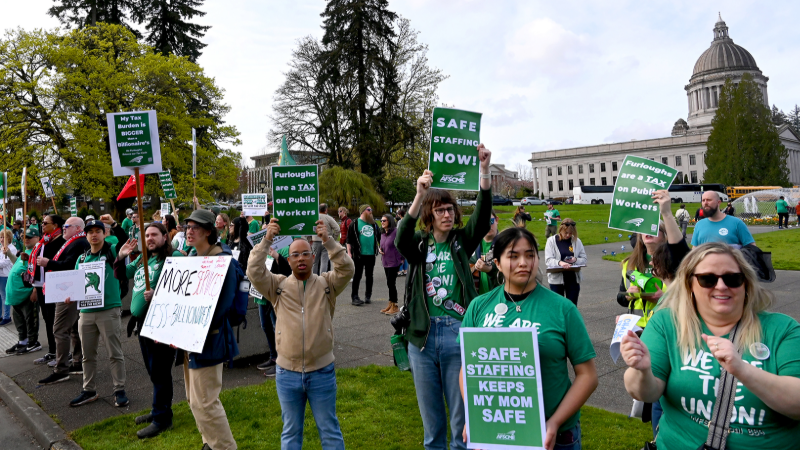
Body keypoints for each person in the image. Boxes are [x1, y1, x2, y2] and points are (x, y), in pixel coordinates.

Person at [621, 242, 800, 449]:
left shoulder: (782, 329)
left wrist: (743, 370)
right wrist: (641, 370)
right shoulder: (667, 323)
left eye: (733, 279)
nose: (722, 286)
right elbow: (645, 393)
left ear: (746, 284)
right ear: (689, 285)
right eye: (707, 279)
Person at [460, 227, 598, 450]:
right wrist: (476, 416)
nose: (524, 262)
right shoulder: (479, 307)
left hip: (555, 437)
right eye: (513, 256)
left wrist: (554, 423)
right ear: (497, 263)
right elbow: (468, 368)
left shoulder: (563, 309)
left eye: (530, 255)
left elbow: (588, 375)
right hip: (496, 434)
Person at [395, 143, 493, 450]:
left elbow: (483, 213)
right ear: (430, 214)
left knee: (461, 425)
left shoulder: (462, 242)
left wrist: (485, 170)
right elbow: (400, 237)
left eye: (450, 209)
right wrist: (419, 195)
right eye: (440, 210)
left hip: (457, 334)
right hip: (421, 339)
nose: (447, 214)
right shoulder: (420, 246)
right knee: (432, 427)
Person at [247, 218, 355, 450]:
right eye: (295, 255)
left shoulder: (328, 284)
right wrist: (267, 239)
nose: (301, 258)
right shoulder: (278, 287)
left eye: (305, 253)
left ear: (313, 257)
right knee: (291, 433)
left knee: (330, 431)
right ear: (289, 260)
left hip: (322, 372)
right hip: (287, 374)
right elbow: (254, 271)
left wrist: (327, 240)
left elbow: (347, 268)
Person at [115, 223, 183, 438]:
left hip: (162, 324)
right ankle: (158, 410)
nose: (149, 238)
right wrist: (121, 255)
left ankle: (162, 419)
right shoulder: (144, 258)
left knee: (161, 372)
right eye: (146, 235)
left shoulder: (174, 257)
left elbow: (183, 287)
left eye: (154, 234)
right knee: (154, 372)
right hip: (143, 323)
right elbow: (121, 274)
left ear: (165, 236)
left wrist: (159, 295)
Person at [181, 209, 240, 450]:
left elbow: (221, 307)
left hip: (208, 339)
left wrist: (188, 328)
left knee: (205, 401)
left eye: (196, 227)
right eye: (187, 227)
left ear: (208, 232)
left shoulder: (220, 261)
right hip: (189, 338)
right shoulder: (193, 258)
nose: (189, 231)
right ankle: (209, 443)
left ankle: (224, 447)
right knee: (193, 399)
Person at [64, 220, 127, 407]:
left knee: (114, 353)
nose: (94, 235)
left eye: (98, 231)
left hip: (109, 309)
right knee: (87, 354)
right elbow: (76, 283)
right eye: (90, 231)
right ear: (85, 235)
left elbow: (125, 243)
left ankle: (119, 389)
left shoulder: (112, 251)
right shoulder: (81, 259)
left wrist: (115, 224)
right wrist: (69, 294)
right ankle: (88, 389)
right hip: (86, 312)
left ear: (104, 233)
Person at [37, 217, 91, 385]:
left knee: (60, 329)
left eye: (66, 226)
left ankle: (61, 369)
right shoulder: (74, 242)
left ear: (76, 228)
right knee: (73, 328)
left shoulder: (79, 243)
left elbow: (69, 266)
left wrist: (49, 263)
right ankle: (77, 362)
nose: (63, 228)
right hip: (69, 289)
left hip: (69, 292)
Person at [28, 214, 65, 366]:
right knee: (47, 319)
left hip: (55, 285)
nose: (42, 225)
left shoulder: (61, 242)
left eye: (45, 223)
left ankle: (62, 353)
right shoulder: (45, 241)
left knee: (56, 321)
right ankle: (52, 351)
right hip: (41, 284)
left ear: (55, 225)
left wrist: (47, 263)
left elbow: (62, 263)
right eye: (41, 223)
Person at [5, 227, 41, 355]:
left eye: (30, 237)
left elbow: (40, 273)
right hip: (17, 294)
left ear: (37, 238)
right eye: (25, 237)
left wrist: (35, 290)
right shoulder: (25, 252)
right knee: (19, 319)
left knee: (30, 319)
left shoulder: (38, 252)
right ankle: (23, 341)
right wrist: (9, 254)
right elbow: (18, 266)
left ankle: (33, 342)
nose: (26, 239)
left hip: (27, 293)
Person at [545, 218, 587, 306]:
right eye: (566, 233)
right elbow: (548, 260)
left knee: (571, 306)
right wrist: (560, 263)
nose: (568, 235)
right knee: (557, 306)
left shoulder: (577, 241)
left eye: (571, 233)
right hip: (556, 280)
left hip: (573, 279)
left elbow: (584, 259)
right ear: (561, 230)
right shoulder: (551, 241)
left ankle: (570, 320)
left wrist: (575, 259)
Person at [346, 205, 379, 306]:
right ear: (363, 211)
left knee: (370, 275)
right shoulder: (355, 223)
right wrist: (349, 253)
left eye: (371, 210)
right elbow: (349, 240)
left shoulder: (373, 224)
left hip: (371, 254)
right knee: (357, 275)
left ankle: (368, 295)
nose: (371, 212)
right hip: (359, 254)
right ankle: (354, 297)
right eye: (369, 210)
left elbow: (379, 237)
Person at [469, 210, 500, 295]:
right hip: (479, 299)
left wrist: (491, 269)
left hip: (499, 297)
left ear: (497, 220)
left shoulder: (505, 243)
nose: (487, 225)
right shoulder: (472, 245)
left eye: (491, 221)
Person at [378, 214, 402, 315]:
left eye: (384, 220)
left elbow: (402, 244)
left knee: (391, 283)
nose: (382, 222)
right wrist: (380, 249)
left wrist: (402, 259)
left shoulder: (396, 232)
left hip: (394, 261)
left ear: (390, 221)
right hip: (385, 261)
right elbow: (382, 245)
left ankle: (395, 305)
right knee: (389, 283)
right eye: (381, 220)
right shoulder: (383, 233)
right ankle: (390, 303)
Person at [312, 204, 341, 275]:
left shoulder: (314, 217)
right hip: (326, 241)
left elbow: (307, 229)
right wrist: (332, 239)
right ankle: (323, 277)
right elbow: (337, 229)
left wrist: (310, 238)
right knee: (324, 261)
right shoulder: (329, 218)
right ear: (326, 210)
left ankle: (313, 277)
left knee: (315, 262)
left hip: (315, 241)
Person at [0, 229, 18, 325]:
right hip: (0, 274)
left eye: (4, 237)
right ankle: (0, 315)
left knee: (4, 296)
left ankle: (7, 316)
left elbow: (5, 262)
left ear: (9, 238)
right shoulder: (1, 247)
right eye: (1, 237)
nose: (2, 239)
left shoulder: (12, 248)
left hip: (5, 275)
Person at [395, 209, 409, 276]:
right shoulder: (408, 220)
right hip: (407, 239)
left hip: (402, 239)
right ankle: (405, 270)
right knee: (405, 255)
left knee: (400, 255)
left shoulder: (400, 221)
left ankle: (400, 270)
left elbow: (398, 231)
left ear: (400, 214)